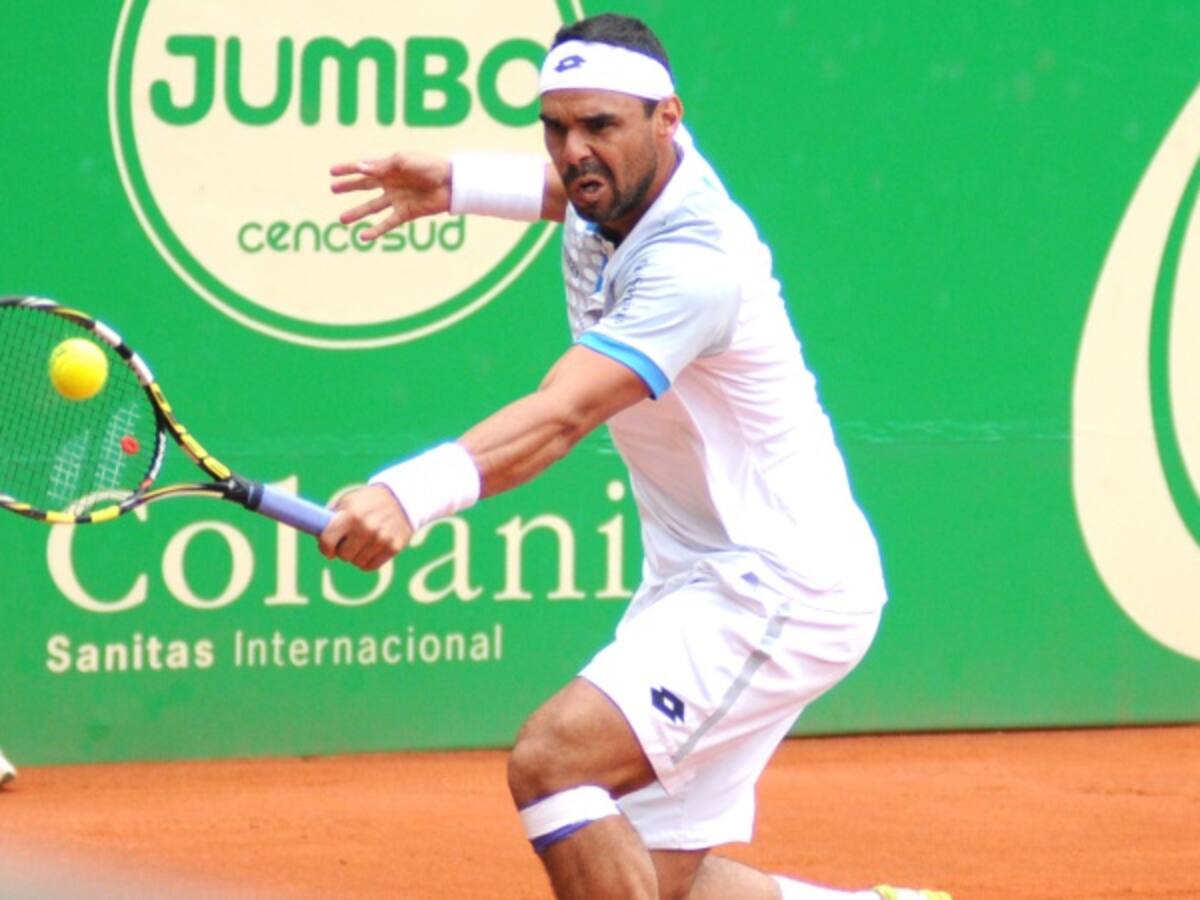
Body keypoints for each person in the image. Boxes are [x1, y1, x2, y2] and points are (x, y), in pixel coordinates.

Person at [324, 13, 949, 900]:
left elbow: (560, 415)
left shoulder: (696, 265)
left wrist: (407, 494)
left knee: (553, 764)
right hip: (699, 574)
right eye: (556, 126)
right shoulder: (619, 188)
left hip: (779, 587)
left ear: (668, 119)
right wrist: (458, 181)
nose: (576, 151)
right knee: (653, 878)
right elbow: (572, 189)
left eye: (600, 125)